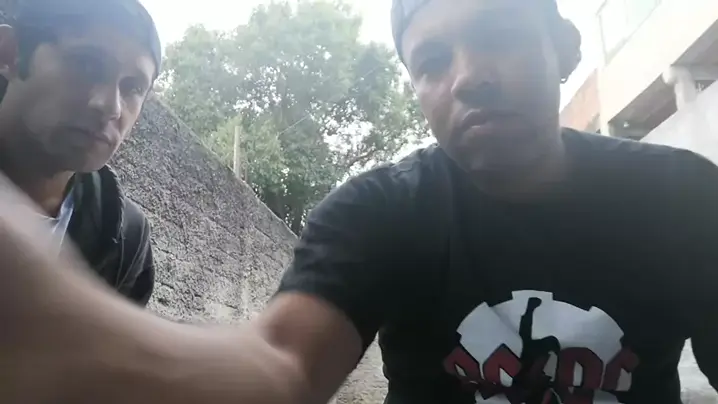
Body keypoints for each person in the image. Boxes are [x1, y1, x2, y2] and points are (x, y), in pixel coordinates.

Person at [2, 0, 718, 403]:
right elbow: (283, 368)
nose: (468, 78)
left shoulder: (682, 198)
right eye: (431, 62)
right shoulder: (381, 212)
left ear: (562, 51)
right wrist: (47, 317)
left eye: (498, 37)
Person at [0, 0, 162, 305]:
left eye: (132, 88)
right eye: (87, 65)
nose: (110, 107)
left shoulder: (124, 235)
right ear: (9, 53)